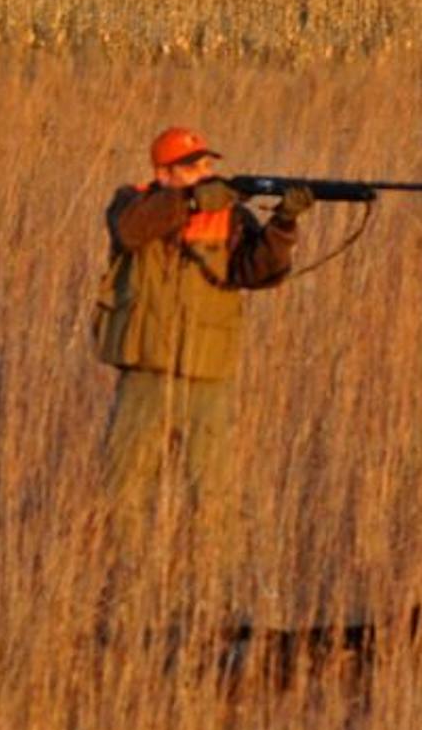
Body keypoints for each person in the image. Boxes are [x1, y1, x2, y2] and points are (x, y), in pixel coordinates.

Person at [91, 125, 313, 588]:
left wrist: (284, 224)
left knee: (214, 496)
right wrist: (191, 203)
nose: (206, 173)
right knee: (123, 490)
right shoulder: (130, 203)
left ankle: (217, 592)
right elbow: (130, 233)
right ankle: (122, 585)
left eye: (208, 164)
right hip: (147, 369)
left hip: (208, 372)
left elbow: (259, 273)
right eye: (193, 166)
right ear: (163, 172)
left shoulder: (229, 217)